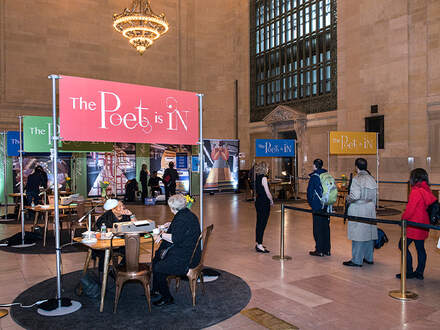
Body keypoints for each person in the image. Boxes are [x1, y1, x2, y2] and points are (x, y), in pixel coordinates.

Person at [151, 194, 201, 306]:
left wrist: (161, 234)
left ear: (173, 208)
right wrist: (171, 225)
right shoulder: (188, 214)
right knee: (157, 258)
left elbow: (175, 239)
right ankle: (156, 289)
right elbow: (182, 231)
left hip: (186, 258)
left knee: (158, 267)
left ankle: (167, 298)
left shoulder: (181, 218)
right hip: (191, 251)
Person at [396, 168, 436, 280]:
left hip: (413, 225)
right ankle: (419, 273)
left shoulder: (416, 191)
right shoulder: (427, 189)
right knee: (420, 248)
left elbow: (410, 210)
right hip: (423, 225)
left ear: (415, 178)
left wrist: (402, 220)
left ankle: (409, 272)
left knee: (402, 246)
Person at [343, 158, 378, 267]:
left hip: (359, 209)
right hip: (370, 208)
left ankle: (357, 260)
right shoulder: (372, 179)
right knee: (369, 234)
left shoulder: (357, 179)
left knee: (357, 235)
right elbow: (376, 196)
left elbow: (355, 196)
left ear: (356, 167)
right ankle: (369, 257)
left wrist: (347, 198)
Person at [94, 199, 137, 271]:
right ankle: (103, 272)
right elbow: (105, 230)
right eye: (119, 206)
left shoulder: (126, 215)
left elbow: (136, 226)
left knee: (133, 250)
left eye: (122, 205)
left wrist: (131, 215)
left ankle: (120, 269)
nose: (122, 207)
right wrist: (122, 229)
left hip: (123, 243)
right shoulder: (106, 217)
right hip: (109, 244)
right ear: (113, 210)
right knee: (105, 253)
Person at [307, 159, 331, 257]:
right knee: (325, 227)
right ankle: (327, 250)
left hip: (318, 205)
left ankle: (319, 250)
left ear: (314, 166)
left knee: (317, 228)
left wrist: (311, 204)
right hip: (327, 204)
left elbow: (309, 192)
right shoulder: (327, 175)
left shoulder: (314, 177)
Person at [254, 162, 273, 253]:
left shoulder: (257, 177)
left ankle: (258, 242)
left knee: (259, 223)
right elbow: (268, 192)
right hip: (264, 202)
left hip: (258, 201)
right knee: (262, 223)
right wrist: (271, 200)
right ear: (264, 168)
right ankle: (260, 245)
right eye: (267, 167)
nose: (268, 169)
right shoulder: (264, 178)